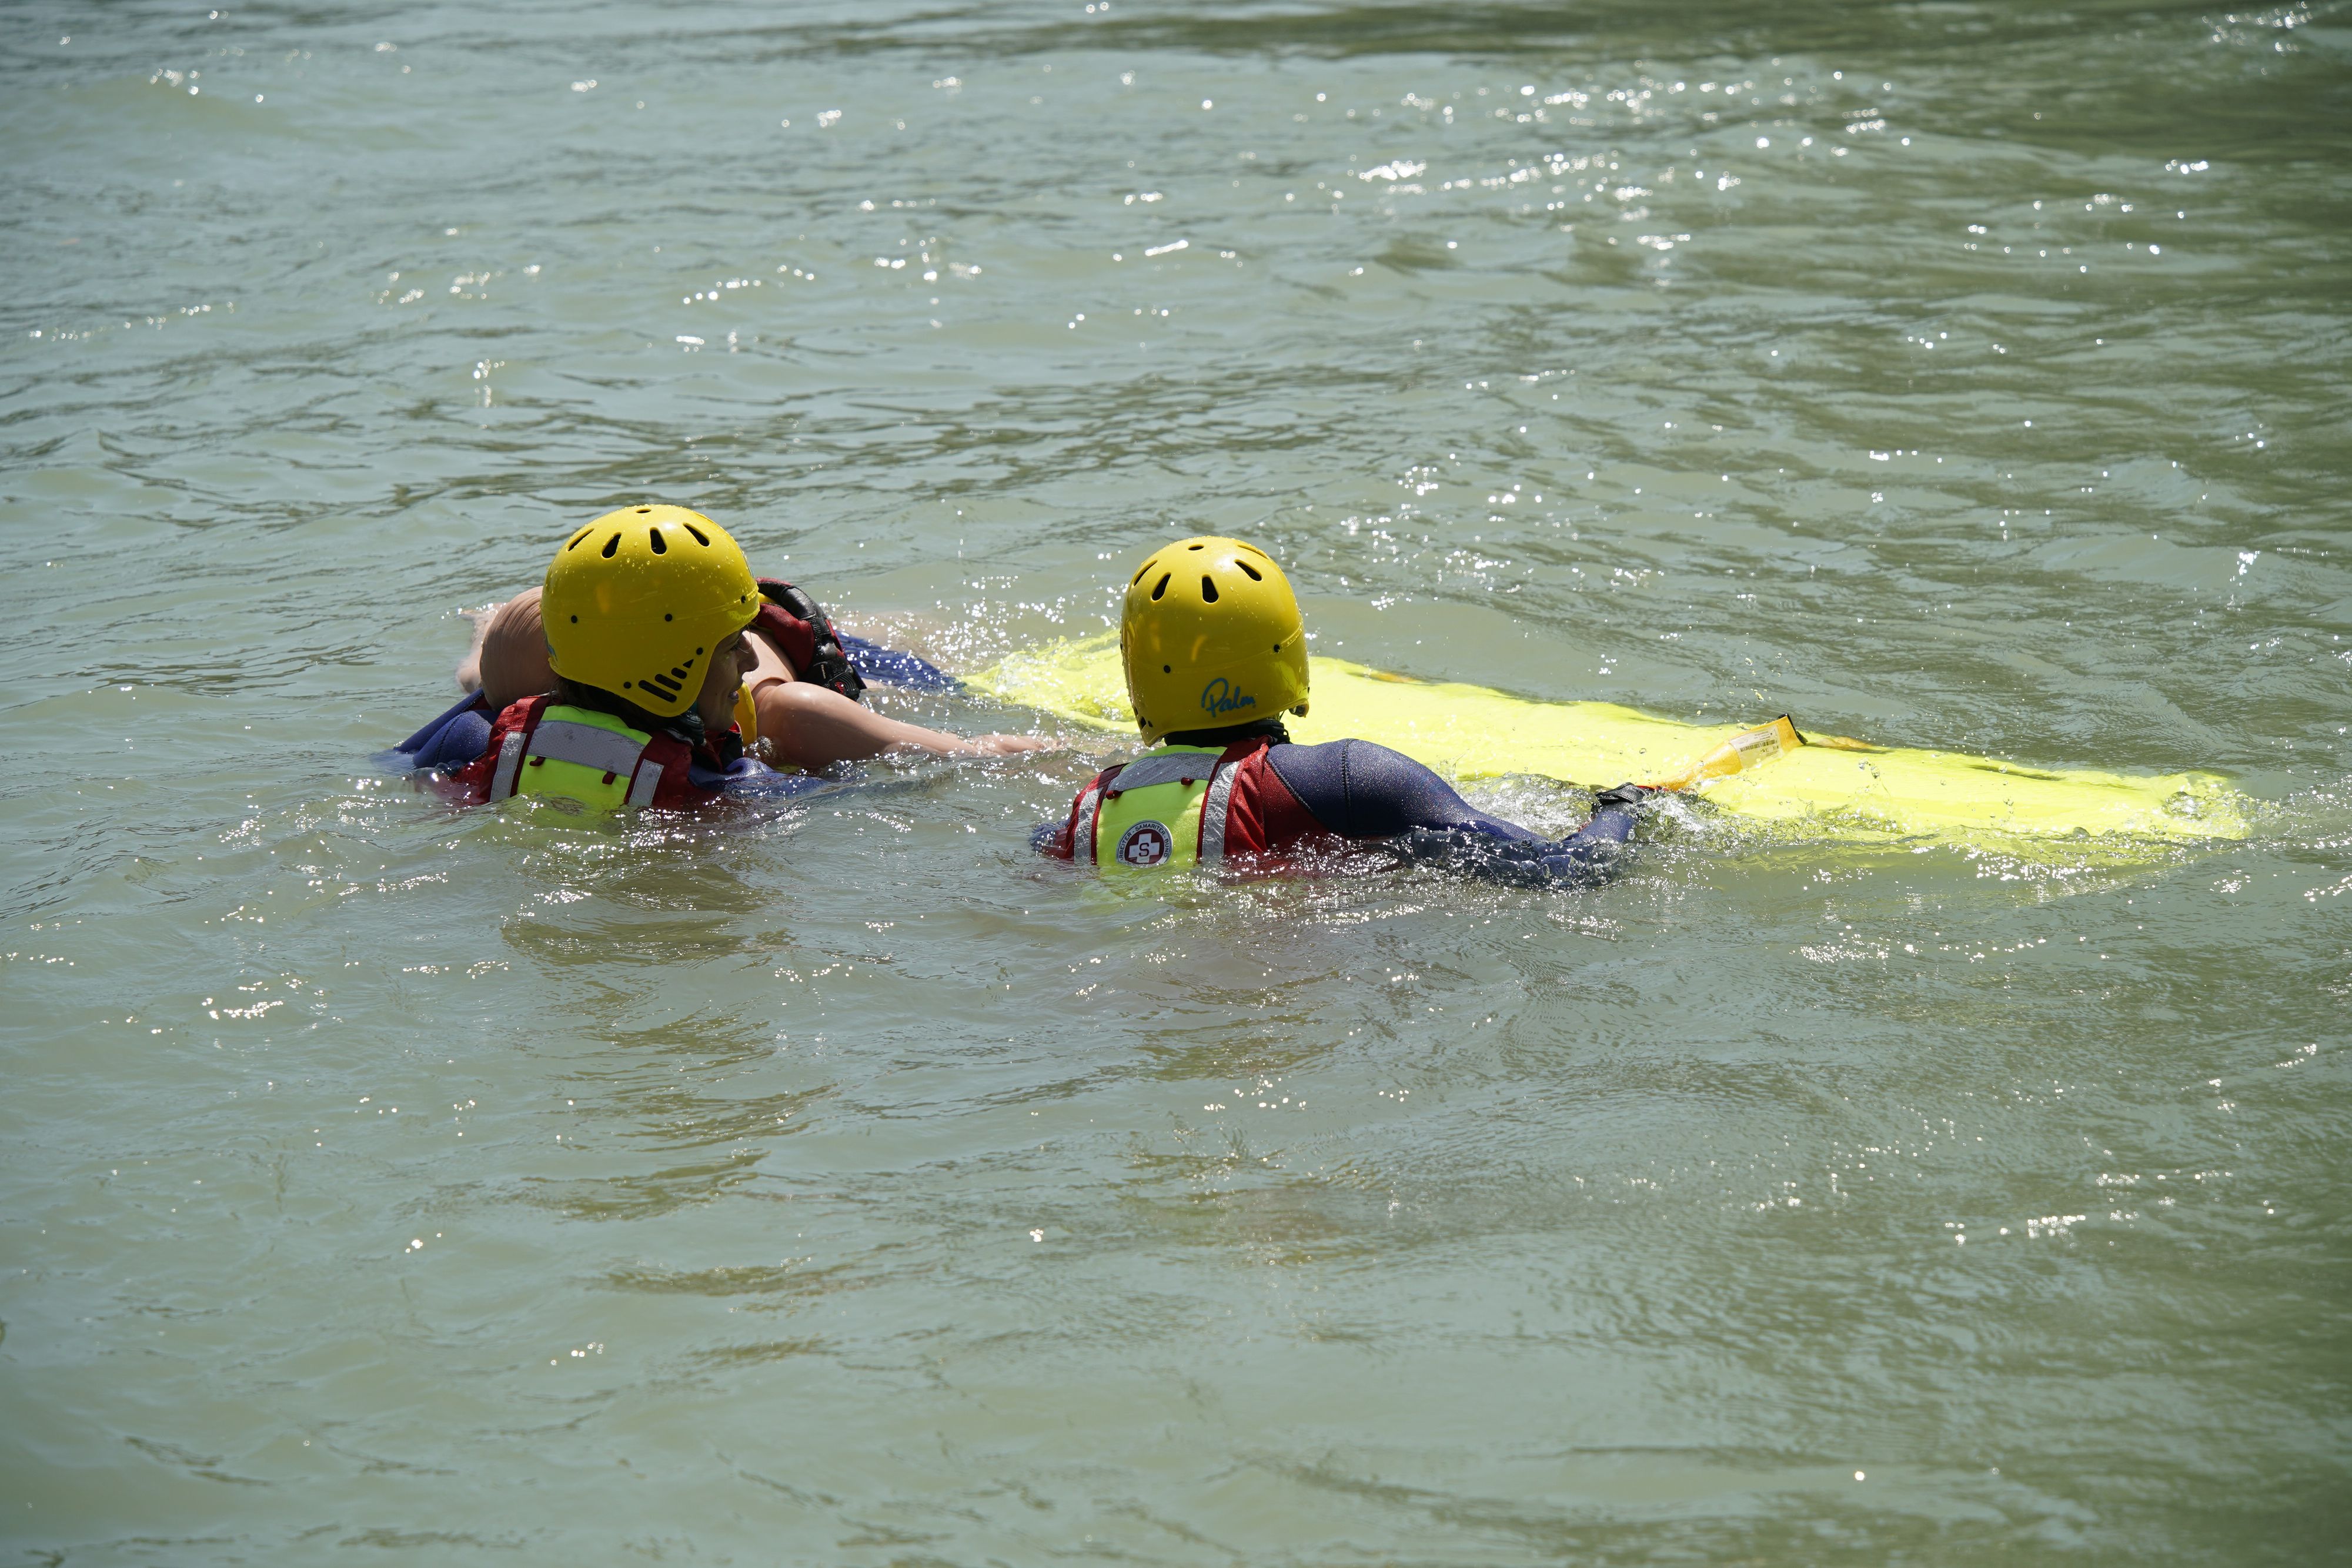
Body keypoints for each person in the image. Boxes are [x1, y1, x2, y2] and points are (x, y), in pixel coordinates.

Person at [1033, 536, 1652, 885]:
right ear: (1287, 651)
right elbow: (1567, 873)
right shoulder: (1348, 778)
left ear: (1137, 672)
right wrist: (1621, 809)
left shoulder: (1080, 820)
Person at [399, 511, 1047, 778]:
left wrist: (1097, 758)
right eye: (726, 647)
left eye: (737, 644)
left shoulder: (790, 715)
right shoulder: (507, 709)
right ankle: (489, 621)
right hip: (618, 626)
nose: (740, 658)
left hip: (794, 651)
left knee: (926, 672)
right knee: (489, 663)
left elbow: (978, 755)